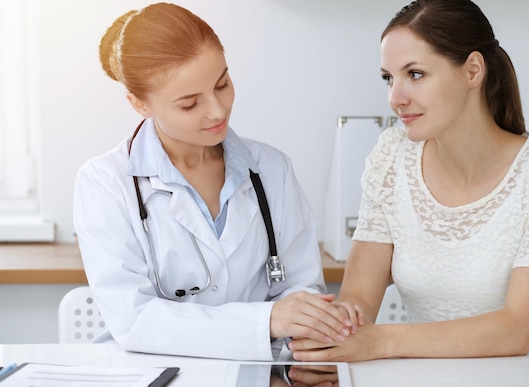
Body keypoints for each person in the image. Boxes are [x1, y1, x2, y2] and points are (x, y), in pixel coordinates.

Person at [288, 0, 529, 362]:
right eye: (388, 78)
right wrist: (329, 331)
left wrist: (380, 342)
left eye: (414, 74)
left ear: (473, 71)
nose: (395, 98)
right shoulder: (390, 156)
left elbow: (517, 328)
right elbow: (358, 300)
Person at [73, 2, 354, 361]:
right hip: (151, 371)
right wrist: (265, 321)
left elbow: (300, 288)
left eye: (222, 84)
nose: (218, 110)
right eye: (190, 104)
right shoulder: (105, 183)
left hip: (261, 370)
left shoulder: (271, 169)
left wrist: (308, 319)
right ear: (139, 104)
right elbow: (134, 318)